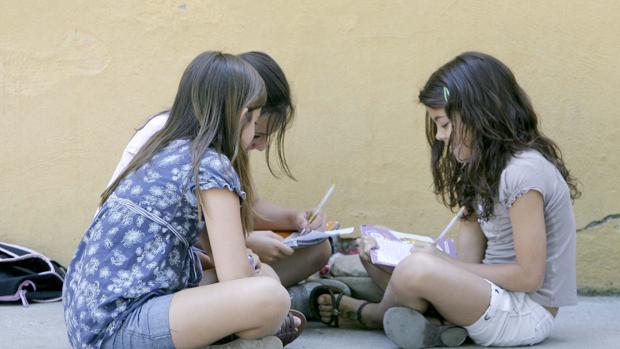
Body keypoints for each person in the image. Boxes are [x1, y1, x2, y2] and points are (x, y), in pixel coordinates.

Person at [312, 51, 580, 348]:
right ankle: (433, 324)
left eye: (444, 124)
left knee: (416, 270)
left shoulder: (523, 172)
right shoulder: (484, 168)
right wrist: (403, 256)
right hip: (490, 297)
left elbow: (529, 277)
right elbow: (469, 262)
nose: (439, 136)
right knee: (377, 256)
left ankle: (373, 314)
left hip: (525, 314)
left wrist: (436, 264)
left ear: (479, 116)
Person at [63, 51, 304, 349]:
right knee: (270, 297)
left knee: (264, 275)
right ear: (243, 116)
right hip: (119, 327)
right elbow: (235, 279)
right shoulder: (211, 165)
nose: (258, 137)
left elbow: (203, 253)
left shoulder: (168, 147)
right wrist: (250, 267)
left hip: (90, 319)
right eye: (255, 123)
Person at [105, 51, 331, 288]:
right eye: (258, 131)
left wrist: (293, 219)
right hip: (146, 268)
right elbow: (169, 227)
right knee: (262, 284)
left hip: (180, 265)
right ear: (240, 114)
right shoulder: (187, 145)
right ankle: (273, 307)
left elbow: (244, 208)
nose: (261, 146)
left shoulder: (214, 148)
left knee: (314, 251)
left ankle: (269, 306)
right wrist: (247, 243)